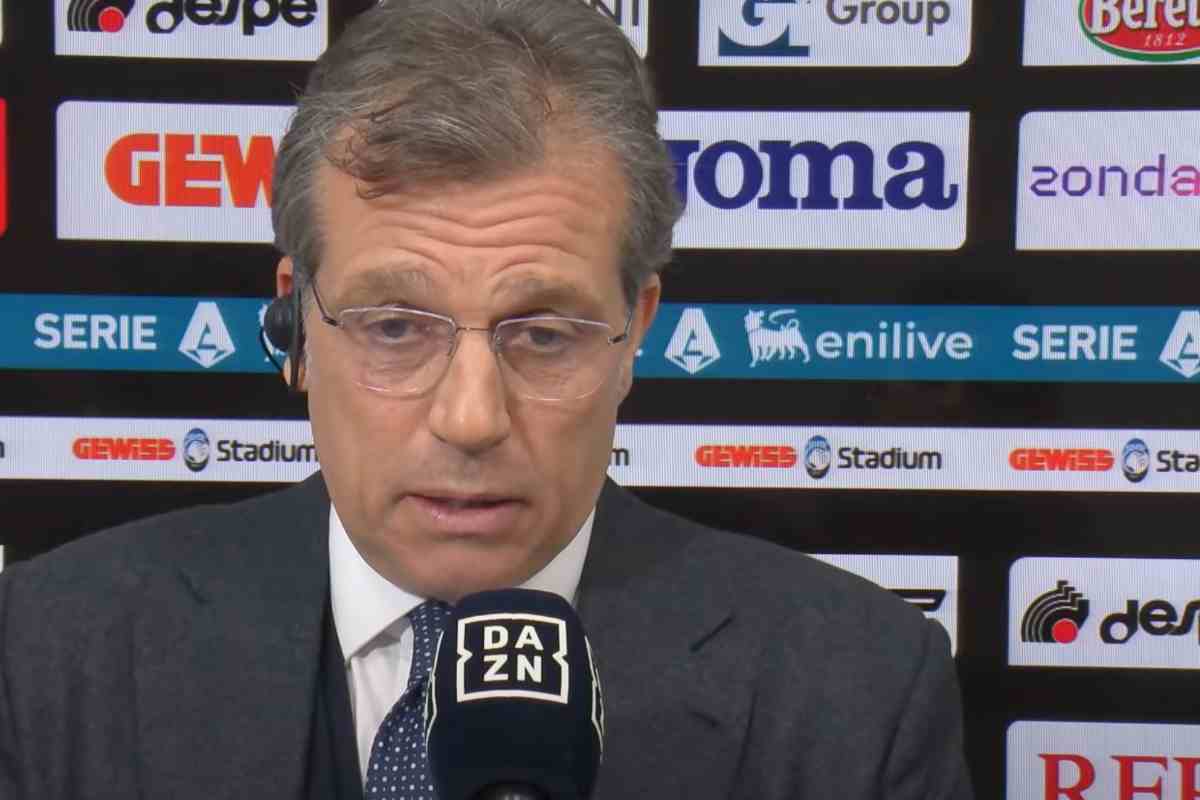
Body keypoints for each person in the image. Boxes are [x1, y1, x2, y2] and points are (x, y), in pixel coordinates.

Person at [0, 1, 974, 798]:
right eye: (394, 326)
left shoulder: (855, 693)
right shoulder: (48, 656)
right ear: (296, 325)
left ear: (634, 332)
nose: (470, 418)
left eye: (544, 333)